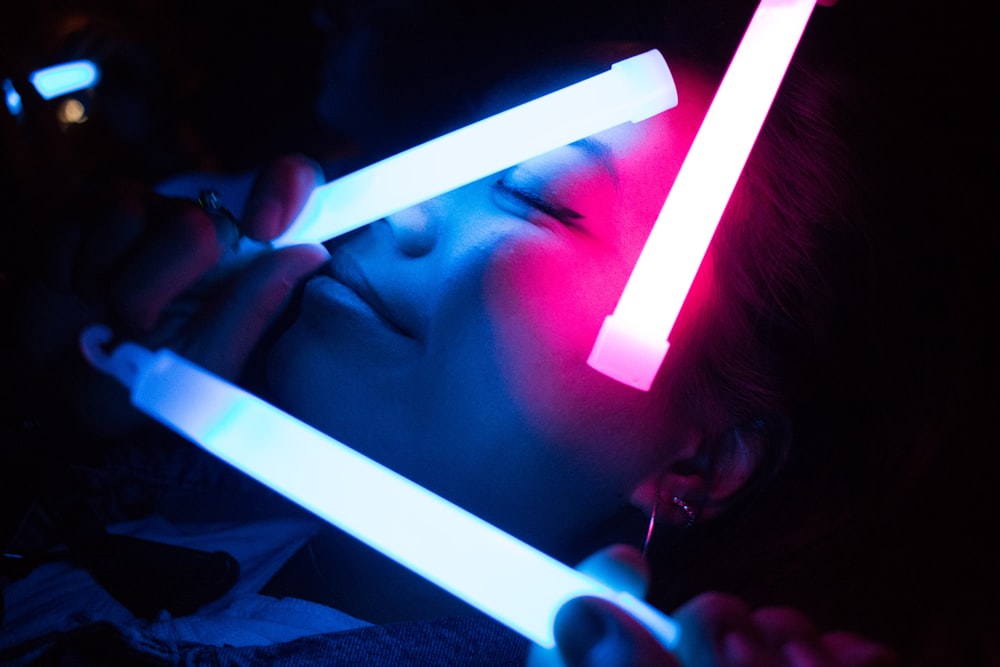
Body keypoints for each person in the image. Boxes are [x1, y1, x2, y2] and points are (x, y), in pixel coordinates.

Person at [1, 1, 989, 665]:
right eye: (441, 160)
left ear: (706, 460)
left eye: (542, 199)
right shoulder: (110, 469)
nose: (396, 210)